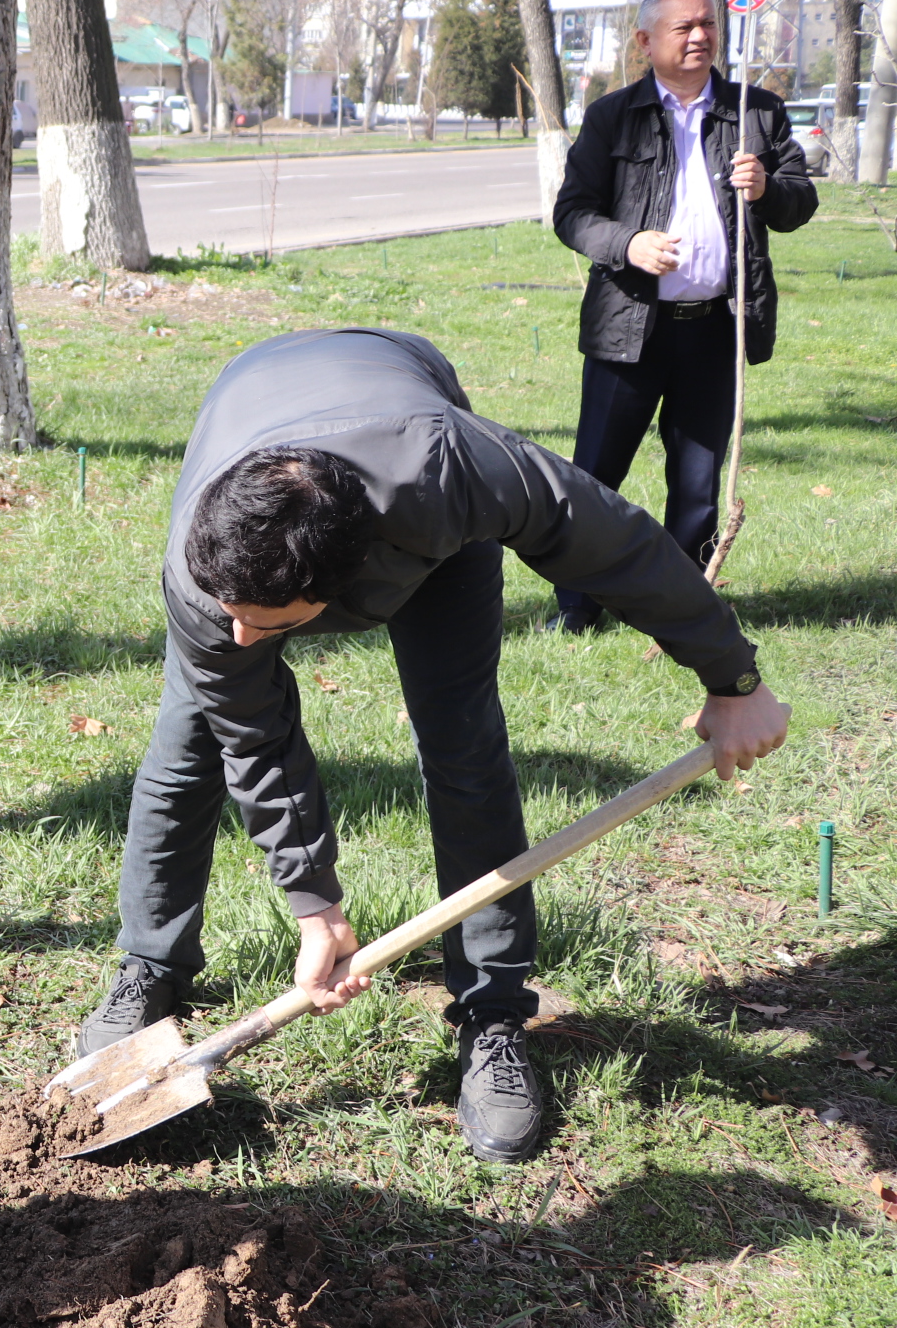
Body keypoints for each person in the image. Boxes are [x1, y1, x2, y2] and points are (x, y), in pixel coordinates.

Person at [77, 327, 788, 1164]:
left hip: (400, 421)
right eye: (232, 612)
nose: (239, 634)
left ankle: (492, 1012)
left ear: (330, 595)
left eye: (262, 624)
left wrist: (733, 681)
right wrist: (316, 906)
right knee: (193, 733)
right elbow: (257, 741)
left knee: (462, 738)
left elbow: (617, 544)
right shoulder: (207, 578)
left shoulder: (456, 472)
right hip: (252, 403)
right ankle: (149, 965)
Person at [550, 0, 815, 633]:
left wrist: (767, 190)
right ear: (645, 42)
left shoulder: (757, 111)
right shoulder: (615, 116)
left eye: (707, 25)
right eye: (683, 28)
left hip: (715, 334)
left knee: (697, 484)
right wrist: (628, 243)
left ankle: (682, 605)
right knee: (596, 478)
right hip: (628, 330)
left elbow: (800, 201)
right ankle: (578, 607)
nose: (699, 36)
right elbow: (571, 213)